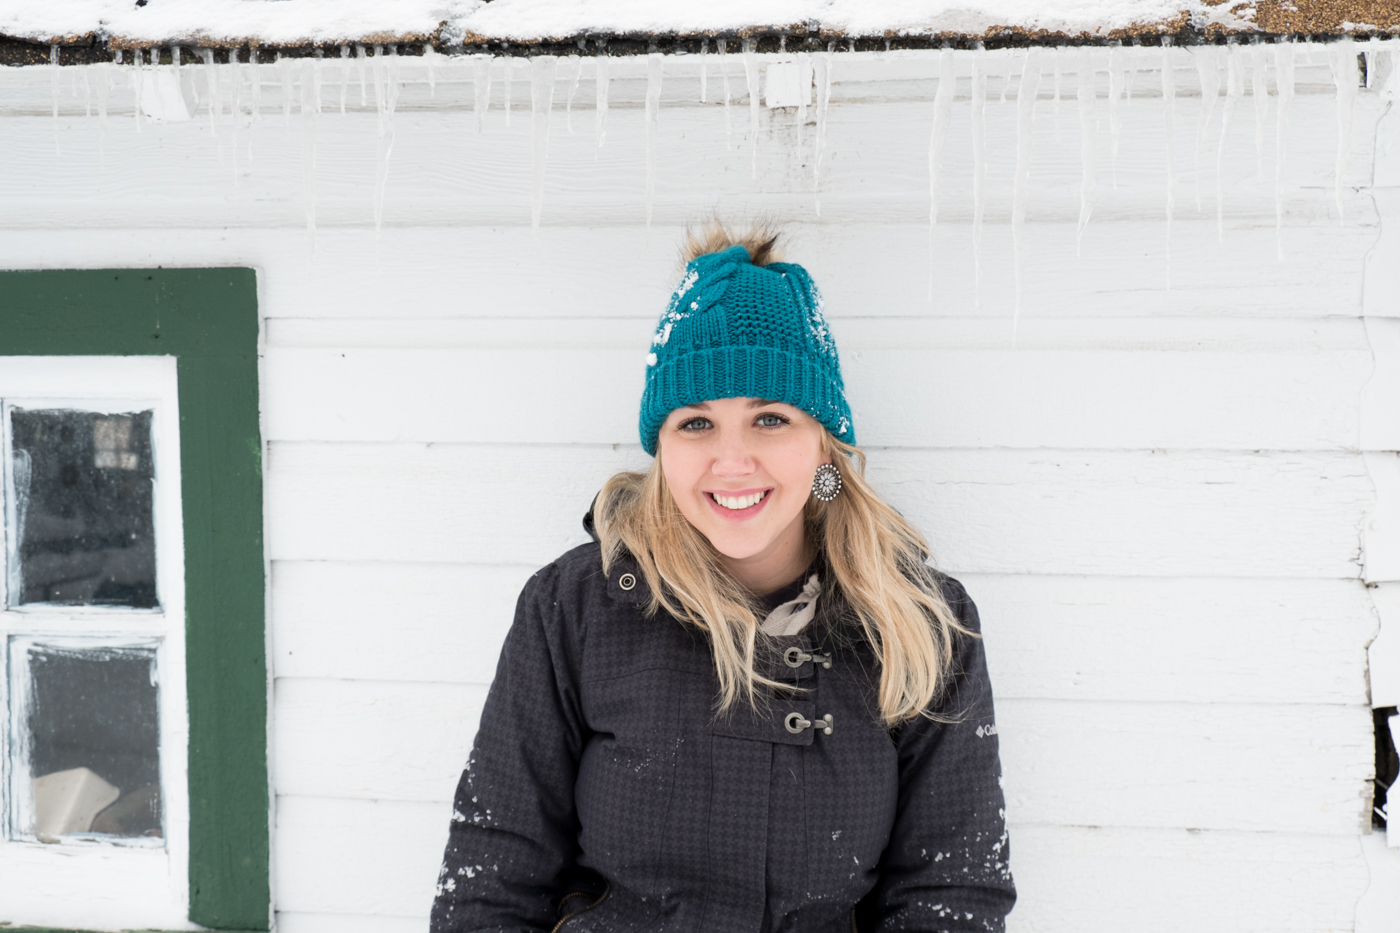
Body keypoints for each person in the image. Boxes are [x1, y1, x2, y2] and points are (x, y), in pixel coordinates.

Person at [430, 222, 1015, 933]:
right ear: (661, 447)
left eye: (770, 418)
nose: (732, 461)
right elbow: (494, 868)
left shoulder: (921, 624)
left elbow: (951, 890)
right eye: (696, 424)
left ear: (824, 444)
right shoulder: (574, 608)